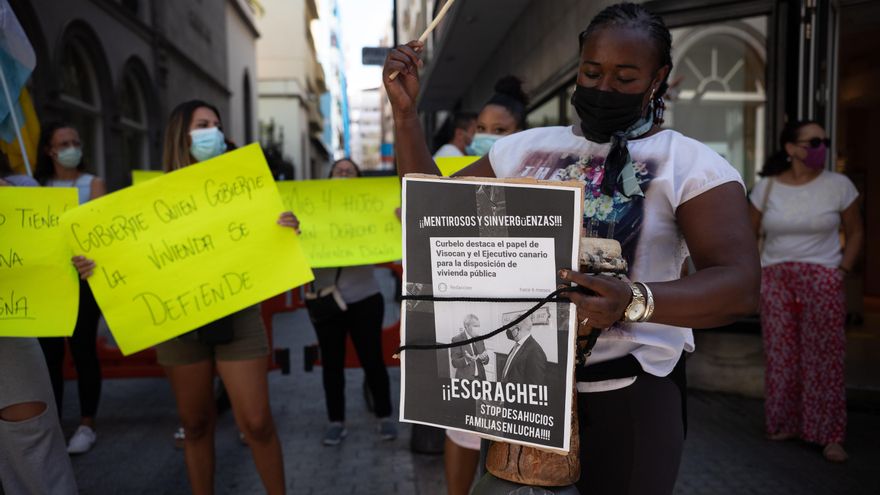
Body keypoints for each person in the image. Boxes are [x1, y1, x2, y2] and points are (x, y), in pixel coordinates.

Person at [383, 3, 760, 494]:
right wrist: (406, 114)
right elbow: (434, 216)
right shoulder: (521, 149)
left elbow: (739, 286)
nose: (604, 88)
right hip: (523, 393)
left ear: (657, 77)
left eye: (625, 77)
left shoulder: (689, 165)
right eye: (591, 71)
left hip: (627, 393)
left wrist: (633, 300)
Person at [72, 100, 291, 495]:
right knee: (194, 423)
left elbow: (265, 236)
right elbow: (129, 253)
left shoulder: (244, 184)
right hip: (176, 320)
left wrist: (285, 227)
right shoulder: (151, 198)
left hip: (238, 314)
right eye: (203, 124)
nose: (214, 132)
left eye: (217, 125)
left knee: (257, 422)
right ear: (181, 135)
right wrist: (94, 265)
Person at [435, 76, 529, 495]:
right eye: (482, 131)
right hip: (467, 303)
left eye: (501, 132)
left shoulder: (539, 183)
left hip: (513, 312)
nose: (487, 139)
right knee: (462, 426)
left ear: (521, 136)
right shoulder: (459, 178)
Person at [748, 120, 863, 463]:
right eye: (813, 142)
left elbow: (856, 232)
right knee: (781, 354)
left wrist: (841, 271)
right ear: (791, 148)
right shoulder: (767, 188)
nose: (821, 148)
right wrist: (757, 274)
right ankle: (783, 423)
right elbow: (746, 235)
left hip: (822, 277)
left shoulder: (839, 185)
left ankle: (829, 434)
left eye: (823, 141)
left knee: (824, 358)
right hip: (776, 277)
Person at [0, 153, 78, 494]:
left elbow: (50, 257)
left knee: (32, 443)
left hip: (10, 333)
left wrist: (75, 263)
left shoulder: (19, 193)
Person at [308, 157, 397, 446]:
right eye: (338, 171)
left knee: (372, 360)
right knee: (331, 365)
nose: (344, 174)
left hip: (365, 299)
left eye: (350, 172)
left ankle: (384, 416)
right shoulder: (314, 211)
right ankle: (335, 421)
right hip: (327, 301)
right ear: (328, 176)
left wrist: (396, 222)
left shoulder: (372, 211)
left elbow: (396, 251)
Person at [34, 122, 106, 455]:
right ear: (49, 150)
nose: (72, 147)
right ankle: (55, 424)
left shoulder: (93, 184)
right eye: (64, 143)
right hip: (48, 283)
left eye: (76, 141)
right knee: (49, 356)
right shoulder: (37, 187)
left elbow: (96, 228)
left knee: (83, 350)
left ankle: (87, 424)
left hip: (82, 281)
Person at [499, 315, 547, 386]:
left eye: (510, 329)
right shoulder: (517, 345)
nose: (509, 331)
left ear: (517, 329)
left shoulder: (535, 351)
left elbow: (534, 387)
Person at [450, 315, 489, 380]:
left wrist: (484, 358)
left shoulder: (480, 339)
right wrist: (467, 359)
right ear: (466, 326)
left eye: (479, 326)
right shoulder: (457, 339)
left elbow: (486, 361)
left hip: (481, 378)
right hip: (465, 380)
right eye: (475, 326)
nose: (478, 328)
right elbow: (454, 363)